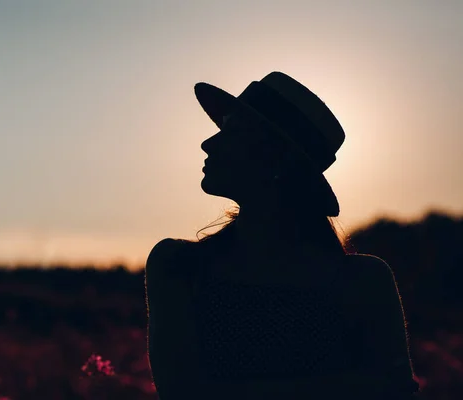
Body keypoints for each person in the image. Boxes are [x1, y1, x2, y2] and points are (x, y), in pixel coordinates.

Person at [144, 71, 420, 399]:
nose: (208, 142)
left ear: (274, 156)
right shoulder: (177, 265)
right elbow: (183, 392)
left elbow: (395, 390)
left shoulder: (364, 280)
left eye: (232, 131)